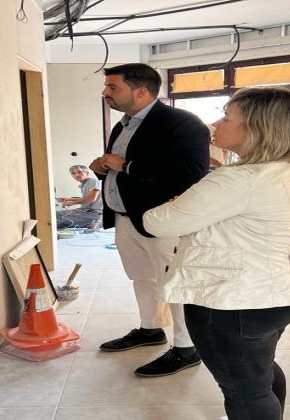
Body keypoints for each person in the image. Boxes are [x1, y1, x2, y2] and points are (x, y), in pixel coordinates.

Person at [143, 87, 290, 420]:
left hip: (236, 301)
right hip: (284, 291)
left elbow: (157, 223)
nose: (215, 124)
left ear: (257, 128)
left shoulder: (239, 180)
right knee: (258, 370)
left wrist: (181, 206)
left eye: (226, 117)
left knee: (244, 390)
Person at [90, 63, 209, 377]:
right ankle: (150, 328)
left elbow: (192, 171)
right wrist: (102, 166)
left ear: (140, 91)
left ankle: (186, 347)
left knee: (174, 282)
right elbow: (120, 164)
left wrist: (127, 166)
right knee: (142, 277)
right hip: (126, 217)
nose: (105, 93)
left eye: (112, 87)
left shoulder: (182, 123)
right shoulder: (123, 124)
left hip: (164, 220)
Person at [55, 165, 103, 229]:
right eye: (73, 173)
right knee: (55, 214)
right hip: (85, 211)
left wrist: (71, 203)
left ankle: (96, 222)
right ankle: (90, 222)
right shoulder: (84, 184)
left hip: (95, 213)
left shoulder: (92, 181)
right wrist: (69, 199)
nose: (76, 175)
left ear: (87, 173)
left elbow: (91, 199)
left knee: (58, 221)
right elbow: (86, 198)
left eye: (79, 172)